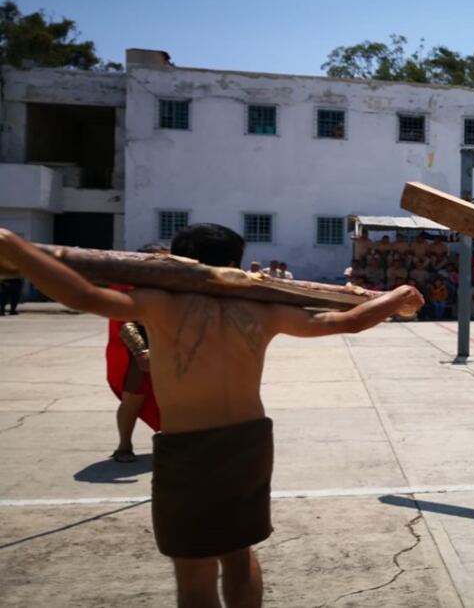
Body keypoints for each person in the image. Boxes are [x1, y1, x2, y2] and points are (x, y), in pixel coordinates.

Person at [0, 223, 423, 608]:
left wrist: (14, 246)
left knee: (193, 568)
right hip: (249, 442)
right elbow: (342, 323)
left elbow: (83, 297)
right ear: (236, 264)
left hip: (189, 447)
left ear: (171, 263)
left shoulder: (159, 304)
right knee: (238, 553)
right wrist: (396, 298)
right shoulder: (261, 309)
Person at [106, 242, 170, 462]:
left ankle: (172, 442)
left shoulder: (171, 285)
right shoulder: (128, 286)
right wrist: (140, 351)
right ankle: (124, 445)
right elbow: (123, 321)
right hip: (141, 350)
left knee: (173, 399)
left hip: (168, 348)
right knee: (133, 399)